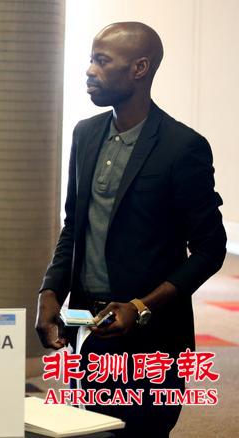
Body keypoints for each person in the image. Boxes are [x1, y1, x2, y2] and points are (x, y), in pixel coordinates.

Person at [36, 22, 226, 436]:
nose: (90, 70)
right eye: (91, 59)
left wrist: (141, 306)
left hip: (152, 340)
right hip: (89, 330)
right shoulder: (86, 134)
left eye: (102, 61)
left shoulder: (183, 147)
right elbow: (75, 226)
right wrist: (49, 292)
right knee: (89, 431)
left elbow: (211, 249)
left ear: (139, 68)